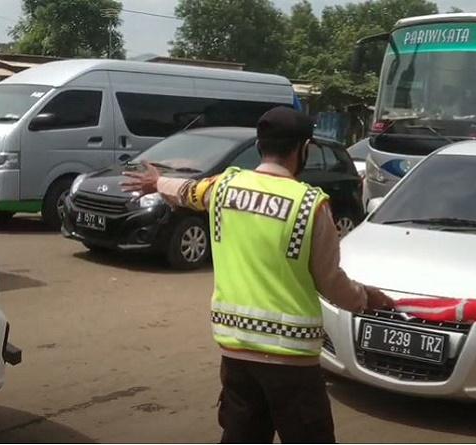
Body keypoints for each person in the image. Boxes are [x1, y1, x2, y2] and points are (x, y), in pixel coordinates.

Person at [121, 106, 394, 443]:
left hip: (237, 352)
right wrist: (366, 298)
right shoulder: (309, 204)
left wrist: (156, 181)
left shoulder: (225, 187)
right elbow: (330, 282)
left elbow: (187, 191)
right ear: (302, 148)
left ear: (260, 146)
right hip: (291, 358)